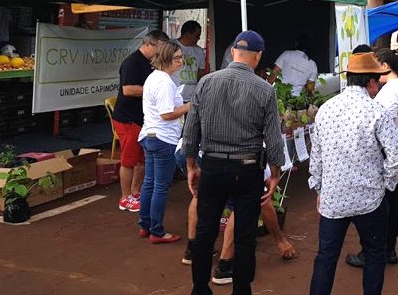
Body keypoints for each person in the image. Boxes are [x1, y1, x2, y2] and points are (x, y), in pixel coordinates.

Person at [183, 31, 284, 295]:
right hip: (247, 169)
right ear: (258, 56)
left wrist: (192, 165)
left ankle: (199, 289)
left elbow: (191, 131)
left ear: (232, 53)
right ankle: (241, 289)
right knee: (245, 235)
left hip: (213, 166)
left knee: (205, 232)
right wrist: (275, 172)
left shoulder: (206, 82)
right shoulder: (264, 89)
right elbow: (273, 138)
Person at [308, 52, 398, 295]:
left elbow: (316, 157)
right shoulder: (376, 112)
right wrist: (386, 184)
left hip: (333, 200)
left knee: (326, 258)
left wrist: (319, 187)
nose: (378, 87)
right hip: (369, 201)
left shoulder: (325, 110)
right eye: (377, 82)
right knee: (374, 255)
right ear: (370, 82)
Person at [175, 148, 297, 283]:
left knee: (202, 194)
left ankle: (193, 251)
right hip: (227, 158)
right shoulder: (260, 155)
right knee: (242, 203)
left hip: (187, 151)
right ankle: (225, 267)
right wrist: (280, 240)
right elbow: (262, 202)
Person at [346, 48, 398, 268]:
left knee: (380, 203)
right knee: (391, 200)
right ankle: (388, 249)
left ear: (384, 67)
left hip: (392, 147)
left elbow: (378, 124)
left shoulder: (389, 90)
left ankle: (375, 251)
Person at [111, 30, 170, 212]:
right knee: (128, 160)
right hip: (127, 119)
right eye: (161, 48)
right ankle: (125, 197)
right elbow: (127, 90)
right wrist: (153, 90)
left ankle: (136, 191)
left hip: (142, 118)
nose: (162, 53)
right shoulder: (132, 62)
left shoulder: (151, 63)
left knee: (142, 158)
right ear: (150, 44)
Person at [137, 42, 190, 243]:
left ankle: (145, 224)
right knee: (160, 186)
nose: (180, 61)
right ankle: (156, 231)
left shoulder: (154, 78)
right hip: (163, 137)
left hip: (150, 135)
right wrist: (188, 107)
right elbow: (167, 114)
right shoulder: (165, 82)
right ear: (166, 59)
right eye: (177, 58)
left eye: (181, 57)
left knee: (150, 183)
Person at [173, 20, 206, 102]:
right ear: (187, 34)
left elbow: (201, 74)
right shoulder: (171, 47)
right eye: (197, 36)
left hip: (192, 99)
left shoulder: (199, 51)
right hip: (173, 97)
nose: (198, 38)